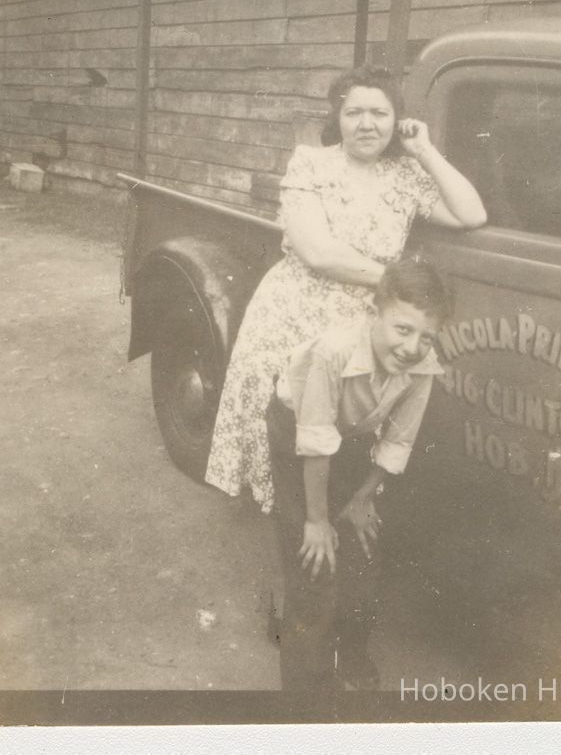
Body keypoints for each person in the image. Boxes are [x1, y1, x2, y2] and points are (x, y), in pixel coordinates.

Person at [204, 65, 486, 512]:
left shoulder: (407, 174)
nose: (367, 124)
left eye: (380, 112)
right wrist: (393, 282)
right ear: (337, 118)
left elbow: (472, 214)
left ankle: (325, 514)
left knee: (345, 419)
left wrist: (426, 151)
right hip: (293, 312)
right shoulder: (311, 163)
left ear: (397, 120)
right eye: (354, 112)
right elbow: (318, 252)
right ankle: (285, 514)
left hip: (363, 320)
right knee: (281, 414)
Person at [267, 258, 452, 691]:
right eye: (402, 329)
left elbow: (396, 443)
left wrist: (362, 499)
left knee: (364, 557)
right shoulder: (333, 351)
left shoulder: (423, 366)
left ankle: (350, 654)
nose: (412, 347)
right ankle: (304, 695)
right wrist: (316, 521)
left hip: (348, 439)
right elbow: (313, 441)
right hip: (297, 435)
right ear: (373, 314)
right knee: (315, 567)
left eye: (426, 336)